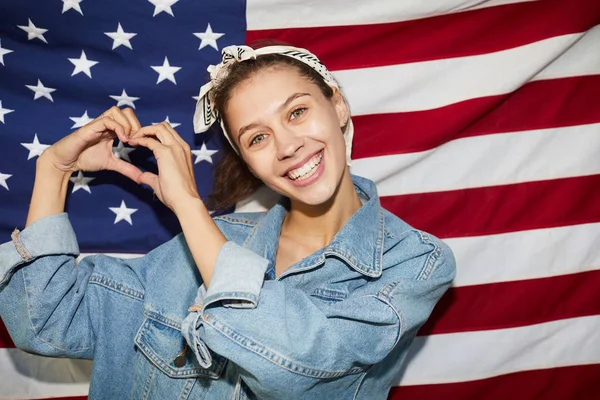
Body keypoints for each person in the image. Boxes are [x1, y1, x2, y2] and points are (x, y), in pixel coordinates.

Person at [0, 44, 456, 399]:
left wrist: (189, 207)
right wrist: (52, 170)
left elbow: (296, 366)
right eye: (257, 137)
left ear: (336, 106)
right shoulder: (198, 249)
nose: (287, 146)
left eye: (297, 112)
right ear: (247, 161)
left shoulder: (416, 262)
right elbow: (46, 322)